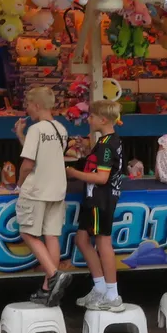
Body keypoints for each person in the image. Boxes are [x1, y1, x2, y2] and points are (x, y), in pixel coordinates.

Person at [14, 86, 73, 306]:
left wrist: (19, 184)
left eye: (28, 105)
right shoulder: (61, 129)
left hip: (37, 189)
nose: (27, 109)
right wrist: (21, 136)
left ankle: (54, 274)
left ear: (37, 105)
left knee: (28, 232)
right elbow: (47, 155)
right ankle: (49, 288)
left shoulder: (37, 130)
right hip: (57, 189)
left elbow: (28, 163)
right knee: (51, 235)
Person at [69, 100, 127, 312]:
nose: (88, 119)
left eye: (91, 116)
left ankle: (113, 295)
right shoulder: (108, 141)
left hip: (100, 200)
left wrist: (74, 173)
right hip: (94, 199)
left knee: (103, 243)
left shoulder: (106, 145)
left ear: (103, 120)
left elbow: (102, 178)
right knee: (82, 239)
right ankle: (100, 288)